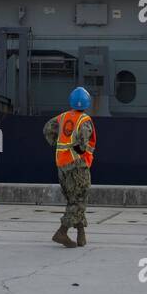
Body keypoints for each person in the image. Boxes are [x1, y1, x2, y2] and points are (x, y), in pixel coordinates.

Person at [43, 86, 96, 247]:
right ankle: (62, 232)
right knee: (79, 200)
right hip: (77, 166)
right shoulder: (85, 120)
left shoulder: (62, 117)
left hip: (62, 164)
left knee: (73, 199)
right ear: (87, 103)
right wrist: (79, 152)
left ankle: (81, 234)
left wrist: (56, 143)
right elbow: (82, 142)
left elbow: (47, 130)